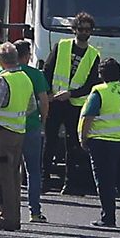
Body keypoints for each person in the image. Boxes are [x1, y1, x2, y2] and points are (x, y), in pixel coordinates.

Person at [79, 56, 120, 229]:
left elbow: (88, 117)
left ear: (101, 75)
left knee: (105, 181)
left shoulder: (99, 91)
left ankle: (108, 217)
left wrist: (83, 137)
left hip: (105, 142)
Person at [44, 12, 100, 196]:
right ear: (74, 29)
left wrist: (71, 94)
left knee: (73, 144)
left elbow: (91, 83)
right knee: (50, 141)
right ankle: (44, 179)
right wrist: (48, 94)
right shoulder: (61, 46)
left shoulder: (93, 55)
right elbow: (47, 70)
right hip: (56, 102)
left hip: (75, 104)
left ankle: (70, 183)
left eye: (87, 29)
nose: (84, 32)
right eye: (80, 28)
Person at [0, 43, 31, 231]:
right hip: (19, 132)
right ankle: (15, 216)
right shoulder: (25, 78)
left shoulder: (4, 80)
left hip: (4, 132)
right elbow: (32, 106)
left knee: (2, 177)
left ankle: (5, 216)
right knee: (14, 176)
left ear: (1, 61)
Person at [12, 37, 51, 223]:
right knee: (33, 171)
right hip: (31, 127)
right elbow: (44, 101)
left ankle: (9, 210)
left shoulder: (3, 72)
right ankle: (34, 211)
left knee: (10, 171)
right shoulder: (35, 75)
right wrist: (43, 120)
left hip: (9, 128)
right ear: (27, 56)